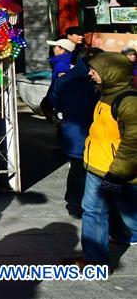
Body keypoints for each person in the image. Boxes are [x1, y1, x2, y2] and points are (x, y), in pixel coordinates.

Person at [77, 52, 137, 266]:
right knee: (102, 210)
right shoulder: (104, 94)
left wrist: (117, 173)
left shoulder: (128, 101)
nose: (91, 73)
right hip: (97, 165)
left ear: (110, 72)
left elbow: (133, 143)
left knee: (101, 211)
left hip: (113, 169)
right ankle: (99, 256)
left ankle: (95, 262)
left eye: (96, 69)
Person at [48, 47, 103, 217]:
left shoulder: (64, 80)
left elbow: (51, 101)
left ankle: (73, 201)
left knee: (77, 168)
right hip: (91, 132)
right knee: (92, 171)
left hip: (72, 132)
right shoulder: (95, 82)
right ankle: (87, 204)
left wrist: (58, 121)